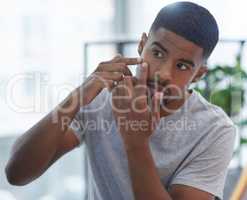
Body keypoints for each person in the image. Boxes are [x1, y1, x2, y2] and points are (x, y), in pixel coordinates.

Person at [5, 1, 236, 200]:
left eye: (182, 66)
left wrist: (135, 141)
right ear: (142, 45)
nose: (163, 73)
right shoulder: (102, 97)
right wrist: (77, 97)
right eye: (157, 53)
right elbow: (16, 173)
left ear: (198, 74)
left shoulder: (216, 130)